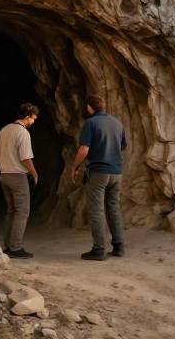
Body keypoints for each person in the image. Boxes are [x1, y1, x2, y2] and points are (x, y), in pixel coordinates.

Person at [70, 94, 126, 261]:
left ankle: (99, 249)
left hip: (99, 172)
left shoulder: (90, 123)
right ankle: (119, 246)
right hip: (117, 172)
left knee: (96, 210)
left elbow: (84, 149)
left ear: (89, 107)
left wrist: (75, 167)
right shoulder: (117, 122)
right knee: (113, 208)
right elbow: (123, 146)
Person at [0, 102, 40, 259]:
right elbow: (26, 157)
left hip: (4, 175)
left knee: (11, 210)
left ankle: (8, 246)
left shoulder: (4, 129)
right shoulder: (23, 133)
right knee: (22, 211)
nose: (33, 121)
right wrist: (34, 173)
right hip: (18, 177)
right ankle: (15, 247)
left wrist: (4, 166)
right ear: (27, 116)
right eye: (33, 118)